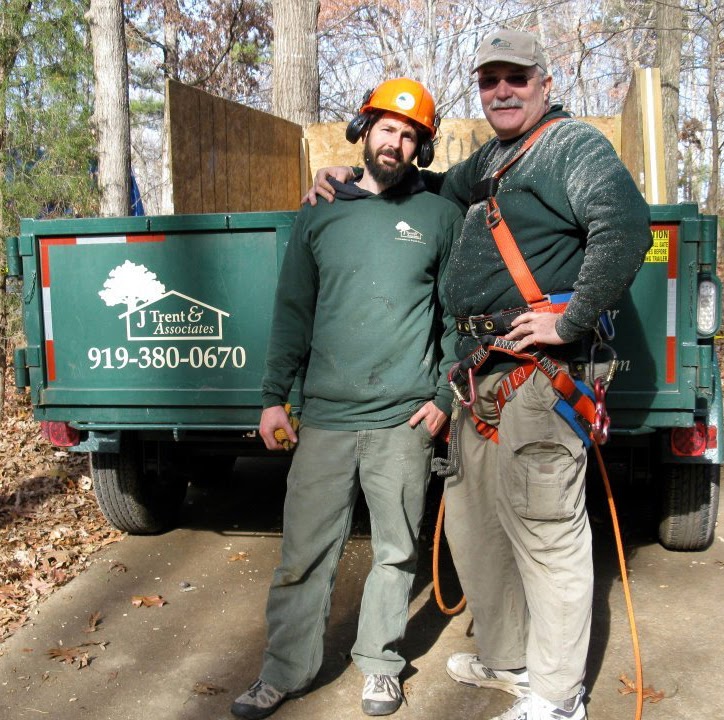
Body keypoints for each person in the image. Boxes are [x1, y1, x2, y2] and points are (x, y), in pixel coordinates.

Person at [304, 29, 652, 720]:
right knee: (475, 524)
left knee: (547, 532)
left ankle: (555, 697)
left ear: (544, 85)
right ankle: (507, 658)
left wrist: (571, 318)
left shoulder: (570, 147)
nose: (502, 90)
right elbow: (427, 185)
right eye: (490, 79)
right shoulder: (493, 160)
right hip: (477, 378)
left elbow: (625, 226)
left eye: (516, 78)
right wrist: (351, 180)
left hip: (537, 374)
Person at [230, 78, 463, 720]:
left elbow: (455, 317)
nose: (397, 141)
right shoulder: (320, 210)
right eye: (387, 128)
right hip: (327, 416)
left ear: (422, 147)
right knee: (301, 553)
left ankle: (381, 666)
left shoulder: (442, 217)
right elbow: (292, 311)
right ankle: (283, 671)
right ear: (364, 132)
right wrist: (275, 396)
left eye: (410, 134)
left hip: (403, 420)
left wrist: (445, 393)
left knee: (396, 551)